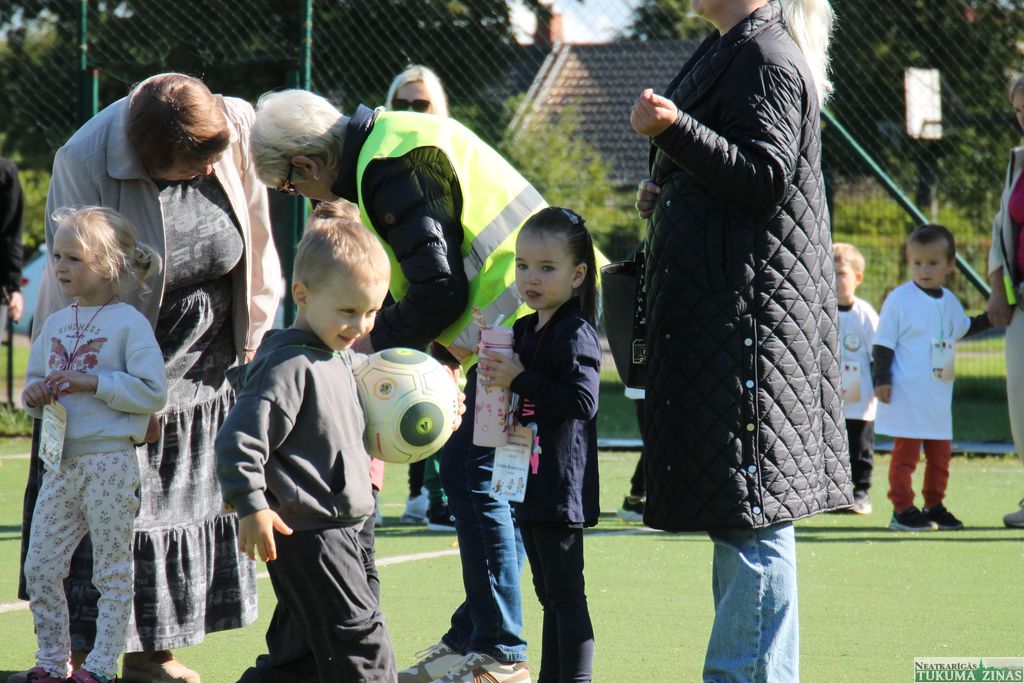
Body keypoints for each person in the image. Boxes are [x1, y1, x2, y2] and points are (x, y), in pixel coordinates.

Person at [251, 89, 544, 682]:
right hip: (523, 324)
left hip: (523, 329)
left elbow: (437, 289)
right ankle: (478, 637)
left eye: (288, 187)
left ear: (305, 165)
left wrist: (367, 347)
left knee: (475, 479)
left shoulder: (388, 168)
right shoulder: (390, 145)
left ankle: (498, 650)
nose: (299, 196)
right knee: (486, 482)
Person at [19, 72, 281, 683]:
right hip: (118, 363)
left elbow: (261, 242)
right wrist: (114, 390)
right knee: (105, 514)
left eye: (208, 163)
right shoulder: (84, 158)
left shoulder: (234, 126)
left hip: (209, 362)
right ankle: (75, 654)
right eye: (189, 169)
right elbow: (71, 278)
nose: (204, 174)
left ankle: (150, 654)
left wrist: (256, 344)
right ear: (147, 156)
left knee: (177, 507)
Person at [630, 0, 851, 679]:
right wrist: (668, 184)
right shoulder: (734, 47)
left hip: (753, 330)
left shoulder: (764, 55)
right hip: (735, 323)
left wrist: (674, 131)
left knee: (752, 516)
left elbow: (763, 177)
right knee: (744, 516)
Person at [215, 211, 399, 683]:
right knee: (361, 644)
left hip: (350, 524)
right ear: (302, 294)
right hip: (314, 530)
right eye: (348, 311)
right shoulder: (289, 366)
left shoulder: (338, 356)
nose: (360, 325)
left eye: (372, 311)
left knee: (301, 659)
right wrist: (251, 505)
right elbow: (239, 441)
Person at [21, 207, 167, 683]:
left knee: (111, 571)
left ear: (108, 265)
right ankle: (51, 661)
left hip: (109, 462)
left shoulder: (129, 323)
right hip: (61, 463)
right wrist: (35, 396)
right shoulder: (55, 323)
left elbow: (152, 391)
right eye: (57, 256)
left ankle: (101, 667)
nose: (60, 267)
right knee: (41, 567)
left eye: (74, 258)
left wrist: (94, 382)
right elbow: (35, 386)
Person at [480, 206, 600, 683]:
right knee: (548, 594)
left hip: (560, 485)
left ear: (577, 275)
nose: (531, 277)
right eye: (523, 265)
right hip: (524, 478)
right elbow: (515, 392)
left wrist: (521, 378)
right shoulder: (525, 329)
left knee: (566, 595)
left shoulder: (576, 332)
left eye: (547, 268)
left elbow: (583, 401)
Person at [873, 224, 991, 532]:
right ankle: (902, 509)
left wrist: (992, 318)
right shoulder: (899, 299)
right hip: (907, 395)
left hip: (938, 397)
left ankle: (934, 506)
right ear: (909, 261)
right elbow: (883, 343)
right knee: (906, 456)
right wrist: (881, 379)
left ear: (950, 264)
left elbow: (963, 328)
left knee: (941, 457)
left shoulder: (949, 300)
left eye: (933, 263)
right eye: (917, 262)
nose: (924, 270)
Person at [384, 64, 454, 531]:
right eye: (401, 103)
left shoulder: (450, 152)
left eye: (420, 103)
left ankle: (434, 495)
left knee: (437, 388)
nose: (410, 111)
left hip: (441, 290)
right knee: (393, 386)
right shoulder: (377, 158)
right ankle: (409, 493)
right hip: (392, 291)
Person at [986, 74, 1024, 529]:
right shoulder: (1018, 161)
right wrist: (999, 289)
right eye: (1017, 110)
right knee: (1020, 396)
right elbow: (1001, 227)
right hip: (1022, 301)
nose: (1022, 118)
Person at [834, 243, 879, 515]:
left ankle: (860, 493)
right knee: (832, 447)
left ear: (857, 278)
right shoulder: (820, 312)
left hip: (861, 401)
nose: (834, 279)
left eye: (840, 273)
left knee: (860, 448)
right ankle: (835, 494)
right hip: (830, 401)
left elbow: (879, 353)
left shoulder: (865, 315)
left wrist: (881, 384)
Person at [0, 155, 24, 335]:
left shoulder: (5, 171)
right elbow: (11, 233)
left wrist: (13, 285)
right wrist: (13, 287)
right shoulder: (5, 170)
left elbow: (11, 234)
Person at [617, 394, 646, 522]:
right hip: (647, 390)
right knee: (657, 444)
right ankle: (636, 500)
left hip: (654, 390)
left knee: (657, 444)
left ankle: (636, 499)